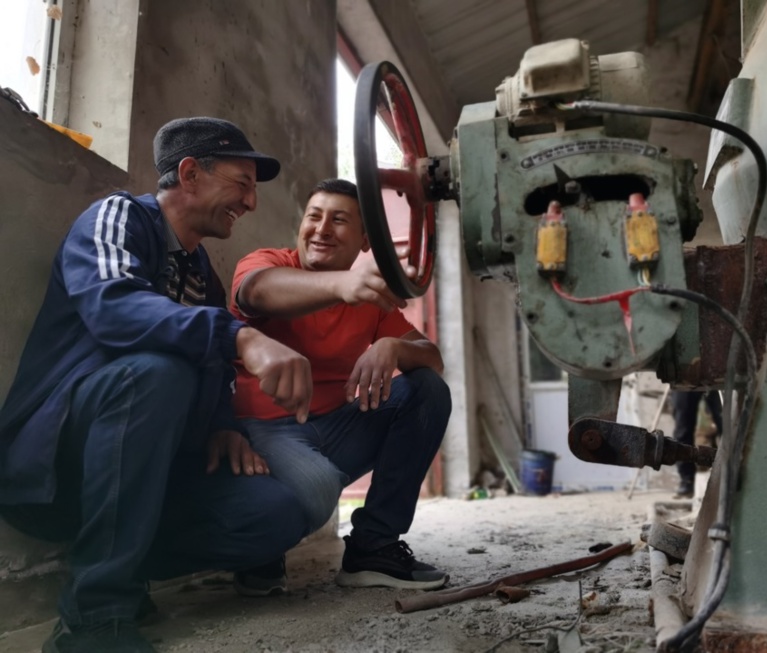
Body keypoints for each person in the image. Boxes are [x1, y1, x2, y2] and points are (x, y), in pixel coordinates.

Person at [0, 117, 315, 653]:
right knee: (158, 374)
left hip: (144, 478)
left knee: (275, 513)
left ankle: (125, 564)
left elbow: (212, 373)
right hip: (50, 467)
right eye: (241, 184)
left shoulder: (201, 275)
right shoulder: (116, 217)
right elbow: (114, 307)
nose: (251, 203)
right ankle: (92, 616)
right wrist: (241, 338)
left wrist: (222, 425)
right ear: (189, 173)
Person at [230, 178, 452, 591]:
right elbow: (256, 292)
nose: (322, 229)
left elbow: (431, 356)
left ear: (365, 240)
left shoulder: (367, 295)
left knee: (427, 390)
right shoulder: (268, 264)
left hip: (336, 428)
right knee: (313, 490)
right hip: (265, 433)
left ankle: (373, 548)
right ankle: (259, 548)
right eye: (314, 216)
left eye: (339, 220)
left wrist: (392, 347)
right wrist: (341, 286)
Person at [671, 390, 723, 498]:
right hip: (684, 378)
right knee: (683, 427)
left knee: (726, 422)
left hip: (717, 376)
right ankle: (687, 480)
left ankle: (735, 470)